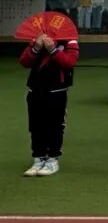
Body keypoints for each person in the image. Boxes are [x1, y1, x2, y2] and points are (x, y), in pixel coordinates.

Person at [19, 28, 80, 176]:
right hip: (35, 89)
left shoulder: (70, 41)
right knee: (35, 125)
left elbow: (69, 62)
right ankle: (38, 158)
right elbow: (24, 61)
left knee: (55, 126)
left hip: (57, 90)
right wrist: (36, 47)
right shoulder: (36, 39)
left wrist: (53, 49)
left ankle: (53, 159)